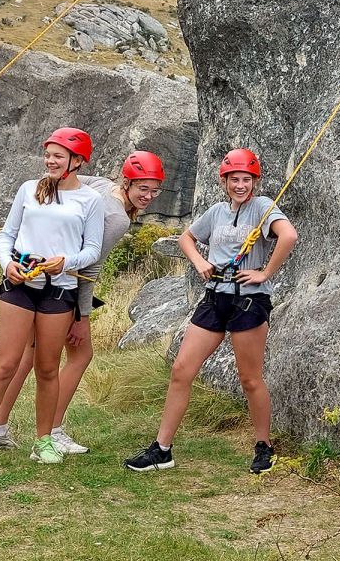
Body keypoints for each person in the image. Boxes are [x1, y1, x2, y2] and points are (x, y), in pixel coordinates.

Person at [124, 148, 297, 474]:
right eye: (234, 179)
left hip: (248, 300)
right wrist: (201, 262)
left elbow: (288, 235)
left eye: (246, 179)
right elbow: (187, 238)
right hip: (214, 297)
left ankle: (264, 446)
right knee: (181, 370)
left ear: (254, 181)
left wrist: (265, 273)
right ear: (224, 181)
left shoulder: (262, 207)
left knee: (249, 378)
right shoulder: (217, 211)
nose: (240, 185)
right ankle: (162, 449)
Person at [0, 151, 168, 455]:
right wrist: (80, 317)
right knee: (80, 355)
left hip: (38, 276)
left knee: (26, 357)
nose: (148, 196)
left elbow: (68, 180)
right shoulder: (117, 219)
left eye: (154, 189)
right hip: (63, 287)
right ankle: (52, 431)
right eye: (142, 188)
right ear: (127, 183)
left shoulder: (101, 184)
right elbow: (88, 269)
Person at [0, 128, 104, 467]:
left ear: (77, 161)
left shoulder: (90, 201)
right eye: (48, 154)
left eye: (58, 156)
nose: (50, 161)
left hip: (59, 291)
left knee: (47, 369)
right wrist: (7, 264)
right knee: (6, 364)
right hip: (20, 286)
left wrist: (65, 262)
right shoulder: (29, 189)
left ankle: (44, 441)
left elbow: (93, 250)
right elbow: (6, 236)